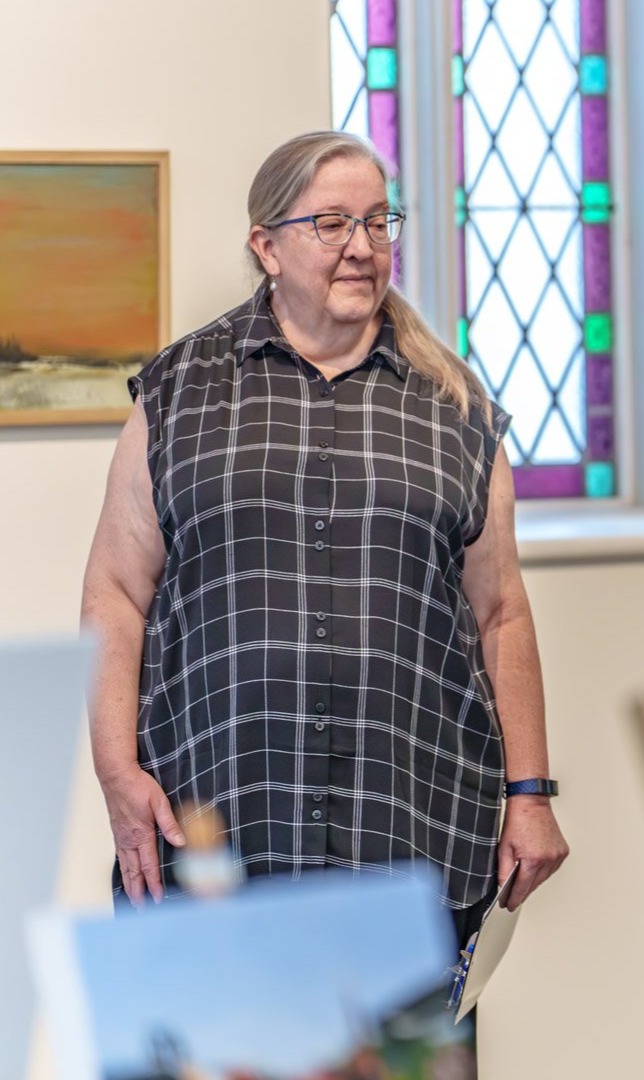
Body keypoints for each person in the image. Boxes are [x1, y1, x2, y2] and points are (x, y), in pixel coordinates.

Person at [81, 131, 568, 947]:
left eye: (379, 223)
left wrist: (531, 792)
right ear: (266, 246)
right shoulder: (180, 390)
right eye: (332, 224)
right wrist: (115, 774)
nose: (361, 248)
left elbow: (501, 615)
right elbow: (116, 593)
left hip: (411, 830)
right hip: (212, 827)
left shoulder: (457, 407)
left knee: (401, 1074)